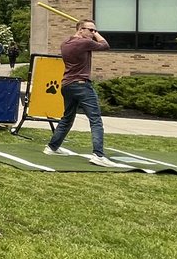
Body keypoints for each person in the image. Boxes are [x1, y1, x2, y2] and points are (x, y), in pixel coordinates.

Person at [44, 19, 120, 167]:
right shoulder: (84, 43)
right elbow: (105, 45)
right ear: (80, 30)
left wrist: (91, 32)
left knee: (67, 118)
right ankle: (98, 155)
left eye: (94, 30)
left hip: (67, 85)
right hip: (81, 85)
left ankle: (52, 147)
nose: (93, 33)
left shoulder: (65, 43)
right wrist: (98, 34)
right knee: (95, 120)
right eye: (91, 30)